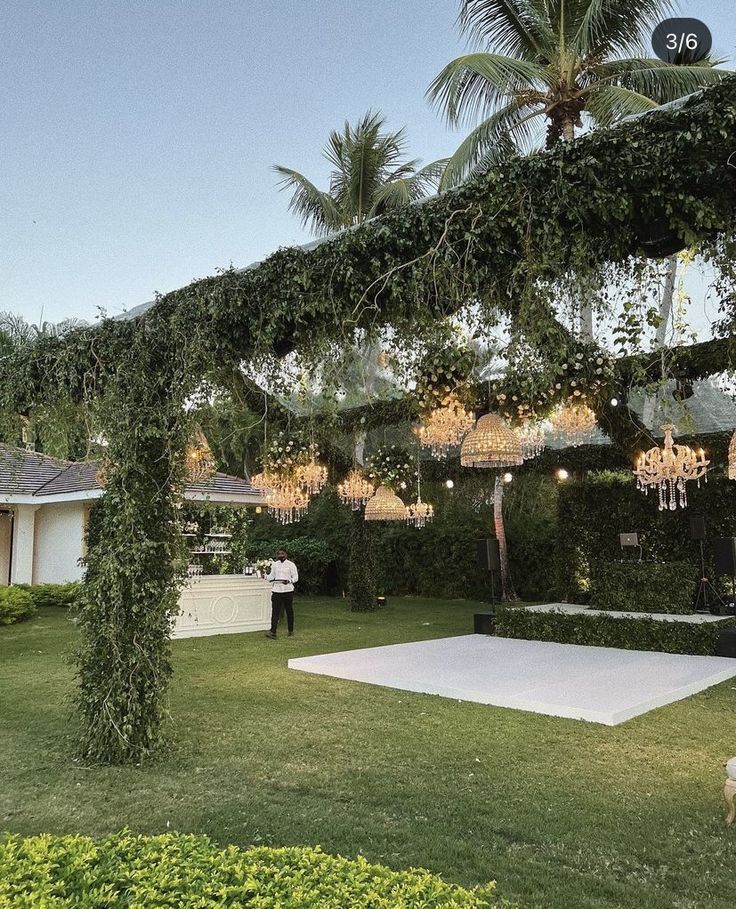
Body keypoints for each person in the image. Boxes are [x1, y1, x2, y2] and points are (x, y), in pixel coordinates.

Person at [265, 548, 298, 639]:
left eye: (282, 554)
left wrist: (289, 581)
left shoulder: (291, 565)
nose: (281, 555)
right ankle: (273, 631)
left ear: (286, 554)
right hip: (277, 591)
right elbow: (272, 576)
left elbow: (296, 577)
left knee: (289, 611)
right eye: (279, 554)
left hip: (288, 591)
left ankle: (290, 631)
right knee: (275, 611)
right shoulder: (275, 565)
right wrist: (265, 576)